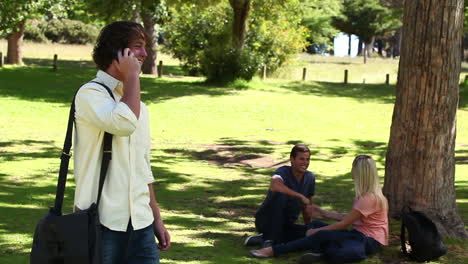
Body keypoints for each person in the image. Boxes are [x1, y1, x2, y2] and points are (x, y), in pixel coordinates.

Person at [73, 21, 170, 264]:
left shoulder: (140, 107)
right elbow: (123, 124)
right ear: (118, 52)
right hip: (101, 222)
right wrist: (132, 77)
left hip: (141, 223)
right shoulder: (90, 95)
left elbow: (142, 167)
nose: (145, 54)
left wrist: (156, 218)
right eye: (137, 47)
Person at [250, 155, 388, 264]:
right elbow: (351, 218)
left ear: (359, 173)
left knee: (320, 233)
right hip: (357, 234)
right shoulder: (365, 195)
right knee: (315, 226)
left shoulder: (368, 198)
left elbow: (344, 223)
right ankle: (271, 236)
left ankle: (273, 250)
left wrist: (316, 232)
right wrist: (322, 212)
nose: (351, 171)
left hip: (368, 240)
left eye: (353, 169)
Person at [244, 144, 316, 247]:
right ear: (292, 159)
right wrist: (300, 196)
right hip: (266, 221)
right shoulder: (283, 171)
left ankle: (264, 239)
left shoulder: (310, 177)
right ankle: (270, 238)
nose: (305, 163)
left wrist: (309, 226)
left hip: (287, 224)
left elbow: (307, 206)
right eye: (301, 159)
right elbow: (275, 185)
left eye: (307, 159)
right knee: (281, 194)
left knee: (310, 233)